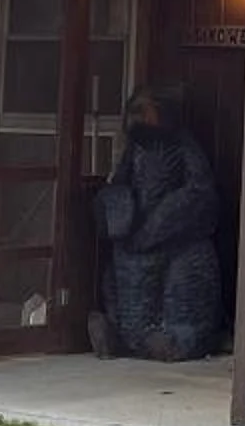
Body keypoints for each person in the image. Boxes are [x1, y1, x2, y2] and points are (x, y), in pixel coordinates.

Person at [87, 84, 225, 361]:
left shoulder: (183, 146)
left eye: (142, 111)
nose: (136, 119)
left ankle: (179, 338)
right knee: (117, 278)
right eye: (133, 112)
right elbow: (119, 184)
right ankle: (121, 335)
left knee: (189, 268)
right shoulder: (134, 149)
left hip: (176, 240)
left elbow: (199, 191)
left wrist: (160, 222)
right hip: (134, 239)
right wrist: (119, 216)